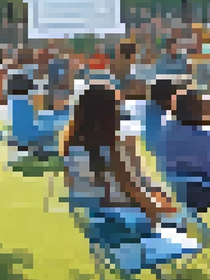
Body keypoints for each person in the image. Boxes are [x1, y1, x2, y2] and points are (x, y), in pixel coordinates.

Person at [60, 83, 180, 247]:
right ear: (109, 115)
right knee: (176, 217)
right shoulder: (110, 150)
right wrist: (163, 214)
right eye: (118, 109)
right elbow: (132, 189)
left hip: (94, 223)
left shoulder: (72, 145)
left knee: (159, 199)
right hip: (121, 225)